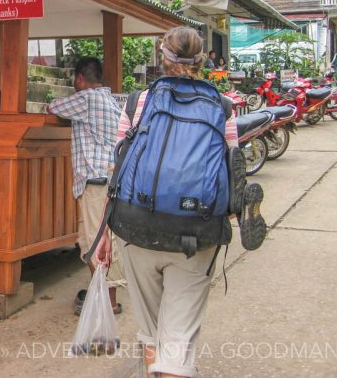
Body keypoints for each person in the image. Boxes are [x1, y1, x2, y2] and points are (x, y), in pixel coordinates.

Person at [97, 26, 241, 378]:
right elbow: (232, 171)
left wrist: (104, 232)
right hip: (196, 233)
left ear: (162, 58)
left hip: (135, 228)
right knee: (178, 342)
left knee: (151, 333)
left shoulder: (137, 102)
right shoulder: (223, 107)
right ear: (203, 59)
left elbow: (116, 169)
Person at [47, 57, 126, 315]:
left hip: (95, 183)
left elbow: (53, 106)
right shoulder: (110, 100)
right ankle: (99, 296)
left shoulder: (87, 99)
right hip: (107, 181)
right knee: (91, 242)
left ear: (80, 79)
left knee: (97, 244)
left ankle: (108, 303)